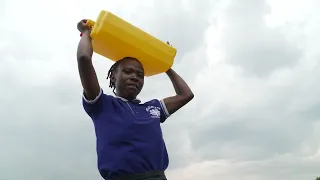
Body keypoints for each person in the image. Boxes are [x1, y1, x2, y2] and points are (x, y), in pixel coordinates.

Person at [77, 19, 194, 180]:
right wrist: (86, 32)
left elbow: (186, 95)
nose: (134, 77)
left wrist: (165, 66)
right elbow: (84, 58)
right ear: (113, 76)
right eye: (128, 72)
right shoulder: (102, 104)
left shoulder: (153, 108)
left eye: (140, 75)